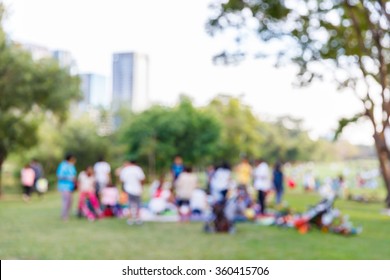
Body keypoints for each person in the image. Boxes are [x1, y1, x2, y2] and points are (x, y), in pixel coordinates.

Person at [119, 159, 146, 225]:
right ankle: (138, 218)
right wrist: (141, 186)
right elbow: (142, 179)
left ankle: (130, 219)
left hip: (128, 189)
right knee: (138, 204)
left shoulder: (126, 169)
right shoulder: (138, 169)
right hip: (137, 189)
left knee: (130, 204)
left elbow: (122, 180)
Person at [56, 154, 77, 221]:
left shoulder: (71, 166)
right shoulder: (63, 165)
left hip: (71, 186)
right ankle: (64, 215)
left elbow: (74, 174)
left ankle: (65, 214)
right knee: (66, 201)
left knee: (70, 201)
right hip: (64, 186)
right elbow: (59, 176)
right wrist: (69, 178)